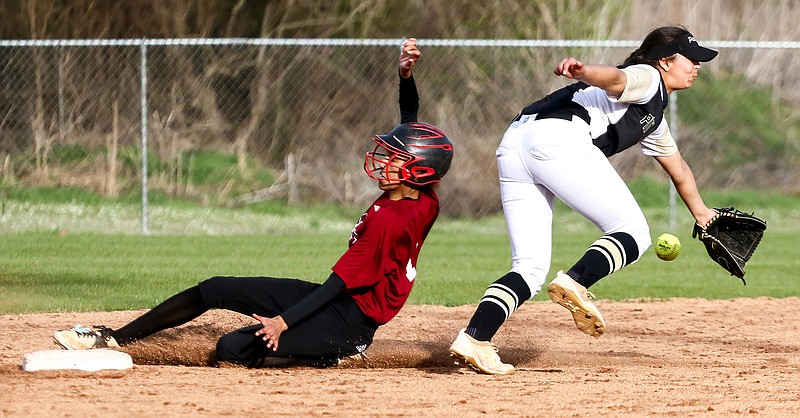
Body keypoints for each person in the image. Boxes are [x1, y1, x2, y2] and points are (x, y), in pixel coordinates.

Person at [53, 38, 454, 368]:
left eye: (394, 157)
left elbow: (337, 286)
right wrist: (406, 76)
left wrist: (283, 321)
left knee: (232, 349)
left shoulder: (391, 222)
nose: (383, 161)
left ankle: (329, 354)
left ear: (417, 171)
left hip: (351, 321)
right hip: (343, 301)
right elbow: (411, 121)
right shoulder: (423, 197)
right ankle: (114, 337)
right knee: (215, 289)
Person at [448, 26, 719, 375]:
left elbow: (678, 168)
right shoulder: (649, 78)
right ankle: (576, 280)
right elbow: (617, 78)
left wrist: (702, 213)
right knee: (633, 233)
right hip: (558, 139)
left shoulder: (652, 118)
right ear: (665, 61)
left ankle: (474, 339)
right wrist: (584, 71)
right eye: (691, 59)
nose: (697, 66)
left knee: (529, 269)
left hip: (515, 144)